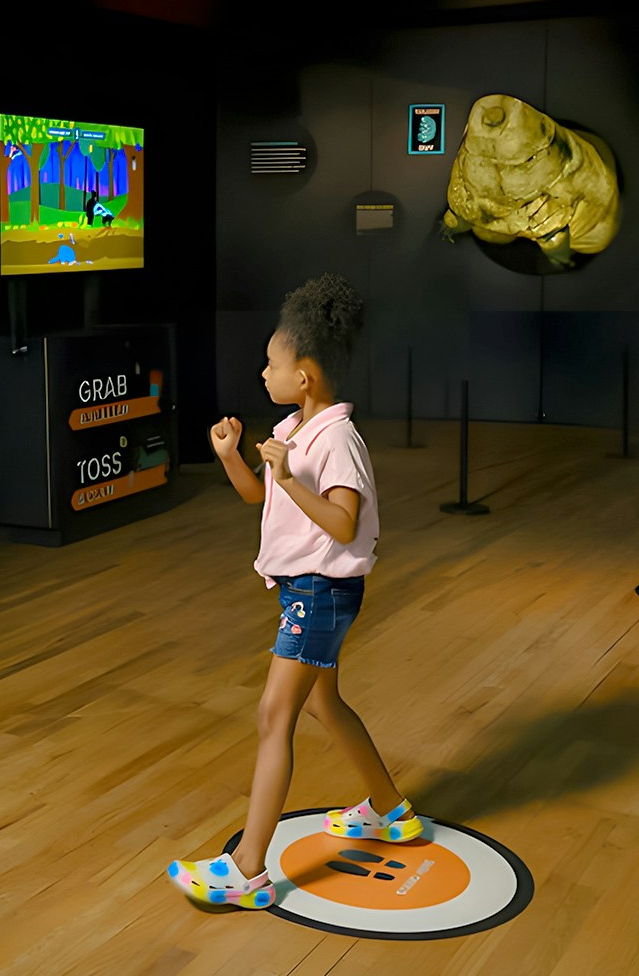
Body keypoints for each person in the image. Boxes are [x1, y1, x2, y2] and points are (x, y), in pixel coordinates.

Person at [167, 274, 424, 911]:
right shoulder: (294, 427)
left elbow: (341, 521)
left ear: (304, 374)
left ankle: (248, 870)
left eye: (272, 363)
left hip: (321, 593)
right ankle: (390, 811)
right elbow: (262, 494)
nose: (263, 372)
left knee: (273, 715)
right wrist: (232, 456)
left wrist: (288, 472)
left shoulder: (337, 440)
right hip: (306, 592)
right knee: (322, 705)